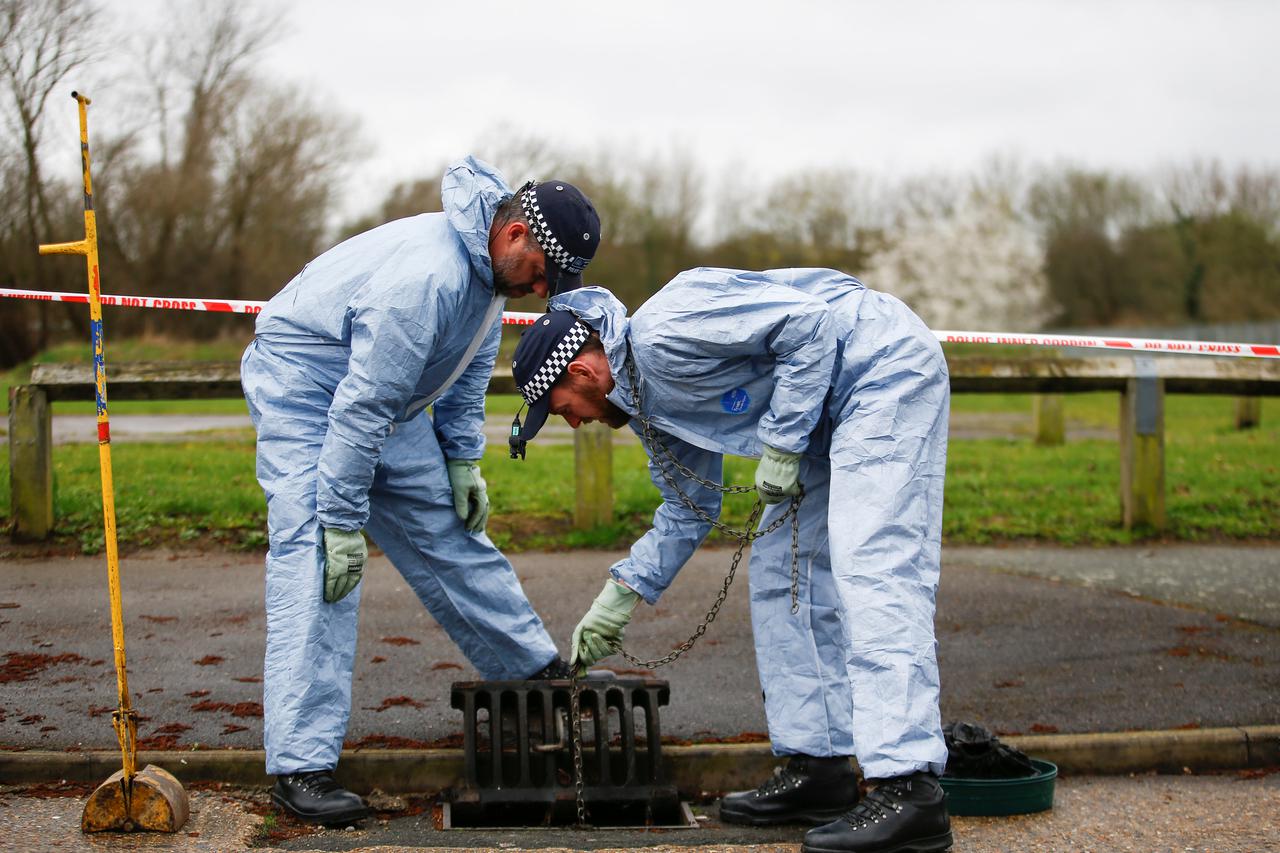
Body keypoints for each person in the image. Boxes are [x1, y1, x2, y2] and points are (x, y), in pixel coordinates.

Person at [508, 268, 952, 853]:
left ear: (581, 372)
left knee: (873, 569)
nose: (573, 423)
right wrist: (619, 596)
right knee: (781, 576)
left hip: (878, 371)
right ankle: (818, 767)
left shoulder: (669, 327)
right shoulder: (643, 403)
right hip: (820, 420)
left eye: (562, 409)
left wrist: (784, 442)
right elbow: (691, 506)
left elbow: (809, 326)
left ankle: (908, 787)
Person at [240, 157, 601, 825]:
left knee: (449, 526)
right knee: (318, 560)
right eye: (545, 274)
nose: (544, 288)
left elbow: (463, 378)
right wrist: (342, 517)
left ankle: (534, 674)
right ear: (516, 233)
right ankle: (301, 764)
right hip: (306, 383)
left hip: (380, 398)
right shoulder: (428, 278)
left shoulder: (491, 280)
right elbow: (360, 407)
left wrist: (463, 460)